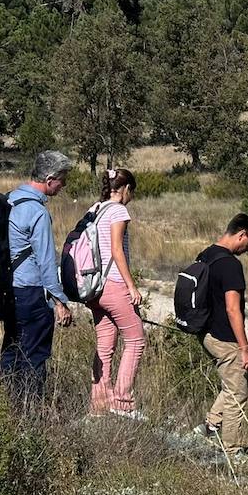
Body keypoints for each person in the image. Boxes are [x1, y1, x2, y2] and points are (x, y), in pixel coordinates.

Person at [0, 150, 76, 394]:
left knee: (12, 348)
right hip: (31, 294)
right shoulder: (37, 212)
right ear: (50, 179)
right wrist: (60, 301)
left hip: (6, 292)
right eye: (62, 180)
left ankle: (7, 404)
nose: (64, 185)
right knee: (34, 355)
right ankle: (29, 412)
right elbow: (47, 263)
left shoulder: (5, 201)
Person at [192, 214, 248, 456]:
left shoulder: (206, 254)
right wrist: (244, 348)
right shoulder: (231, 265)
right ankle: (231, 450)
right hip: (225, 337)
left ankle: (210, 426)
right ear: (241, 234)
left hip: (205, 333)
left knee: (234, 384)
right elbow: (233, 309)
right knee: (238, 393)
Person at [85, 167, 146, 418]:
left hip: (94, 287)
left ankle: (98, 407)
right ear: (126, 189)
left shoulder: (94, 208)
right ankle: (122, 402)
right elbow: (117, 251)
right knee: (136, 339)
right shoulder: (119, 210)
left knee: (105, 346)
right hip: (113, 284)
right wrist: (132, 286)